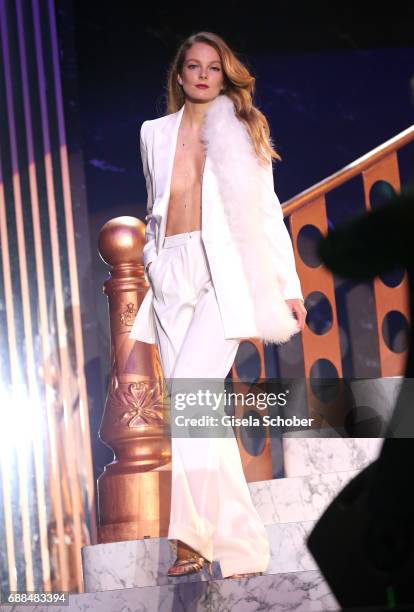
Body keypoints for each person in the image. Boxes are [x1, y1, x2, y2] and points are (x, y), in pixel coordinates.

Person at [130, 31, 306, 579]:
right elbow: (157, 205)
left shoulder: (242, 131)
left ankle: (189, 538)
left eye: (212, 67)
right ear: (179, 76)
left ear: (224, 75)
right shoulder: (153, 133)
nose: (203, 75)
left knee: (189, 395)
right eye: (193, 66)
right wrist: (155, 264)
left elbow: (267, 213)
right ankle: (244, 549)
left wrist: (290, 285)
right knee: (200, 412)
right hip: (170, 275)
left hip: (219, 277)